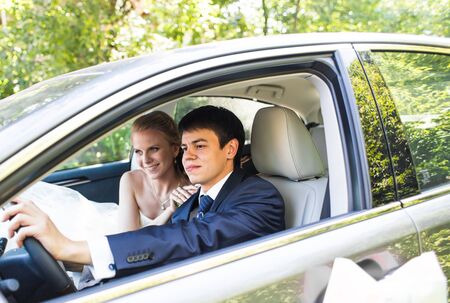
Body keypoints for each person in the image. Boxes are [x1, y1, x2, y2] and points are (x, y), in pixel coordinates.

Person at [2, 105, 285, 281]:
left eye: (200, 146)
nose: (188, 157)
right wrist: (67, 260)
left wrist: (69, 246)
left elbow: (187, 240)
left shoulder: (260, 197)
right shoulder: (192, 201)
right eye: (186, 148)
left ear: (231, 149)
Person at [118, 111, 197, 231]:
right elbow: (126, 240)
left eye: (154, 149)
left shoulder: (192, 188)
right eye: (139, 152)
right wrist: (170, 211)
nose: (145, 160)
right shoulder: (130, 181)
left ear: (175, 150)